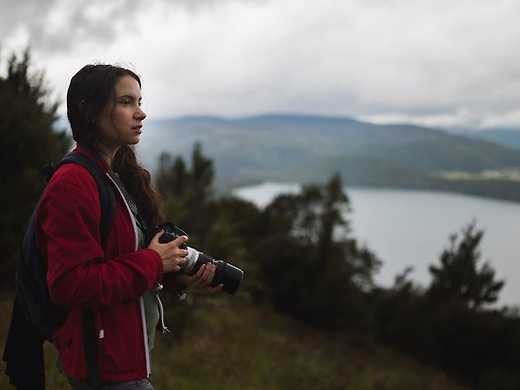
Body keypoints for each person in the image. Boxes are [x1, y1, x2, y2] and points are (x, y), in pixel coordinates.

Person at [37, 64, 221, 389]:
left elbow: (120, 259)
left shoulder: (115, 177)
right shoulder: (74, 182)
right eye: (126, 102)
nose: (141, 113)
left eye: (139, 101)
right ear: (90, 111)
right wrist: (153, 262)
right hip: (104, 366)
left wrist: (176, 277)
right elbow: (71, 284)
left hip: (125, 359)